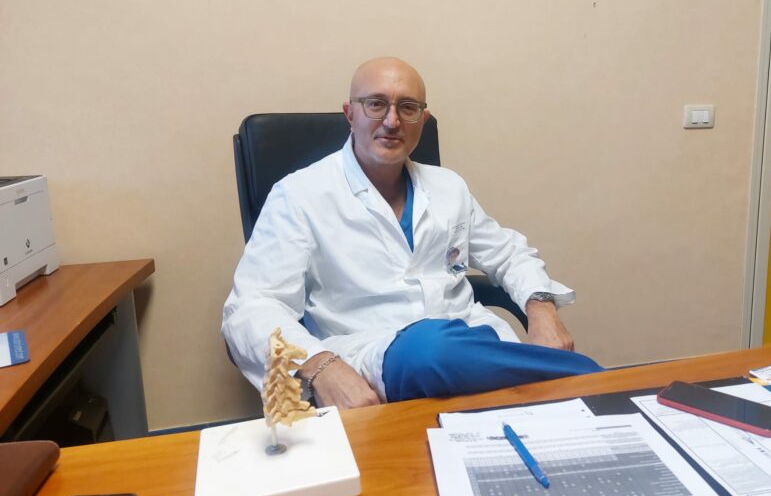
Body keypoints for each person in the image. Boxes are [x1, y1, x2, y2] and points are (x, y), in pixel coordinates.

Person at [222, 57, 602, 409]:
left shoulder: (448, 186)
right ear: (350, 114)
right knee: (428, 348)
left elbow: (509, 253)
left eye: (407, 108)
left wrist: (541, 308)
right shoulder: (299, 195)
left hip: (472, 349)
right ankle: (593, 383)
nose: (392, 121)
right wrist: (321, 365)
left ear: (423, 118)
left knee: (453, 351)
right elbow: (252, 308)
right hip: (377, 361)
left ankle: (592, 391)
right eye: (375, 104)